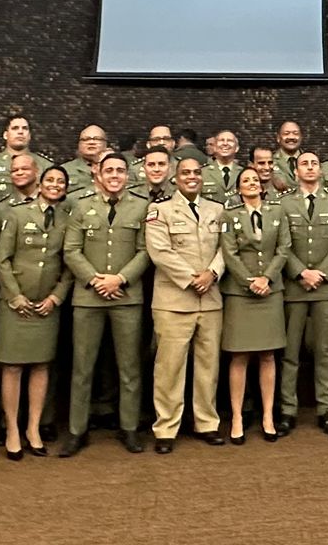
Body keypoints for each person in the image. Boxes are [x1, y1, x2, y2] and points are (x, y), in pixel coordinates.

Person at [58, 152, 151, 456]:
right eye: (109, 170)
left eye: (120, 171)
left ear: (128, 175)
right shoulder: (81, 206)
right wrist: (95, 280)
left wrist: (120, 280)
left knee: (129, 368)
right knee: (83, 367)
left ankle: (129, 428)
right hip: (88, 297)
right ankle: (76, 430)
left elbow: (146, 251)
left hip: (126, 296)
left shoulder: (141, 207)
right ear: (97, 173)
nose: (114, 176)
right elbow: (71, 250)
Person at [143, 157, 226, 453]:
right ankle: (166, 427)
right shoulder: (159, 210)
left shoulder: (217, 210)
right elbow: (159, 252)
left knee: (208, 366)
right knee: (170, 367)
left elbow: (226, 248)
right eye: (186, 173)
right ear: (175, 178)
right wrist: (193, 279)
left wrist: (212, 273)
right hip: (174, 300)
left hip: (211, 298)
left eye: (196, 173)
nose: (192, 177)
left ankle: (207, 422)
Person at [0, 163, 71, 459]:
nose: (54, 185)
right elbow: (2, 260)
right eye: (49, 180)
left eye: (60, 182)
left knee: (41, 366)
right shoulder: (16, 215)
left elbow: (69, 264)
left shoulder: (67, 219)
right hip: (16, 305)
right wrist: (14, 296)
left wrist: (56, 297)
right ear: (39, 185)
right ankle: (12, 429)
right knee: (12, 367)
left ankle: (34, 428)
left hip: (46, 305)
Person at [277, 150, 328, 435]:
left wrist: (321, 273)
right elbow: (282, 244)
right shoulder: (284, 204)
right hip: (295, 287)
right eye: (304, 164)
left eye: (314, 163)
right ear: (295, 172)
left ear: (321, 170)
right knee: (290, 351)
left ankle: (326, 409)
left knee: (325, 351)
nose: (309, 168)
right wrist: (301, 273)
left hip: (326, 286)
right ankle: (287, 409)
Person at [219, 165, 290, 443]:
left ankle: (268, 415)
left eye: (254, 180)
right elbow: (229, 252)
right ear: (238, 189)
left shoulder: (277, 212)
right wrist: (250, 281)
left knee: (268, 355)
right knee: (239, 355)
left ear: (262, 186)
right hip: (240, 293)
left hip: (270, 291)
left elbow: (284, 248)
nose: (250, 183)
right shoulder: (230, 215)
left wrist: (267, 278)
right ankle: (237, 416)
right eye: (244, 180)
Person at [0, 116, 51, 206]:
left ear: (29, 135)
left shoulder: (45, 165)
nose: (20, 132)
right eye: (15, 128)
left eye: (25, 128)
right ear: (5, 135)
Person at [201, 129, 244, 205]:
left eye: (230, 140)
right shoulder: (202, 173)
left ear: (237, 148)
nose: (225, 143)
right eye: (221, 140)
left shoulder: (243, 173)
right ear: (214, 147)